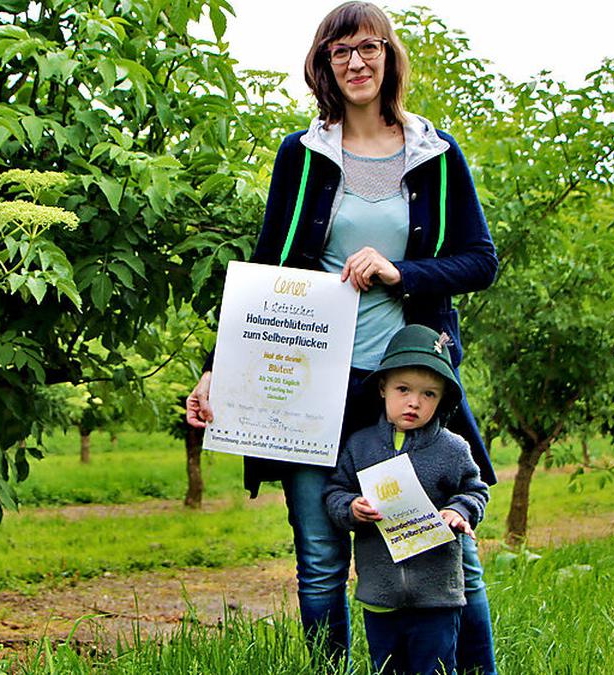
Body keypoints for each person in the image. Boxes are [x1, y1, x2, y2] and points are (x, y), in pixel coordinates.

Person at [185, 2, 499, 671]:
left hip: (402, 387)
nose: (356, 62)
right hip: (310, 390)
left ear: (389, 56)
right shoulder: (303, 156)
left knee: (446, 550)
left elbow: (481, 260)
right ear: (324, 64)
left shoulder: (436, 156)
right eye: (340, 51)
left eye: (369, 47)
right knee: (322, 556)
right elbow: (267, 267)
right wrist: (218, 369)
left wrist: (401, 271)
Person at [323, 324, 488, 675]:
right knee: (386, 668)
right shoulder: (360, 446)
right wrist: (351, 508)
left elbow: (475, 490)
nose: (414, 402)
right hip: (380, 595)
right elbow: (335, 491)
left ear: (443, 398)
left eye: (429, 394)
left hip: (437, 597)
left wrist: (459, 511)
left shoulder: (452, 448)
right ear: (383, 388)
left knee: (436, 667)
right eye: (403, 389)